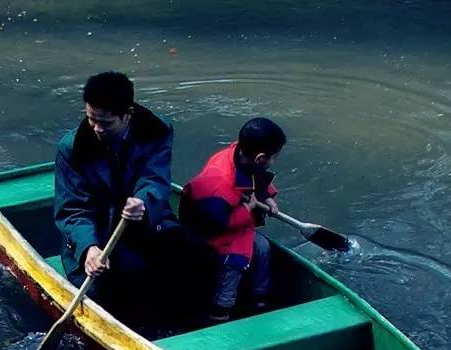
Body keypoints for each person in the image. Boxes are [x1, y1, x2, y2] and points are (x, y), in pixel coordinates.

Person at [54, 71, 178, 324]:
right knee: (106, 292)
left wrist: (143, 200)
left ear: (128, 115)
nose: (97, 129)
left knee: (190, 260)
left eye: (106, 123)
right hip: (97, 234)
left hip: (144, 224)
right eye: (91, 120)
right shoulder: (72, 148)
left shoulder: (156, 130)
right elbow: (73, 209)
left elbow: (156, 178)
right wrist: (88, 248)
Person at [179, 117, 286, 323]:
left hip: (234, 221)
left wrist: (265, 197)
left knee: (262, 247)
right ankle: (220, 312)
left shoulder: (240, 155)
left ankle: (259, 300)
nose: (274, 161)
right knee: (234, 265)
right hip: (211, 234)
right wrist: (247, 209)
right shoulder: (218, 184)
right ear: (260, 158)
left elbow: (256, 180)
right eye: (274, 157)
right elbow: (216, 224)